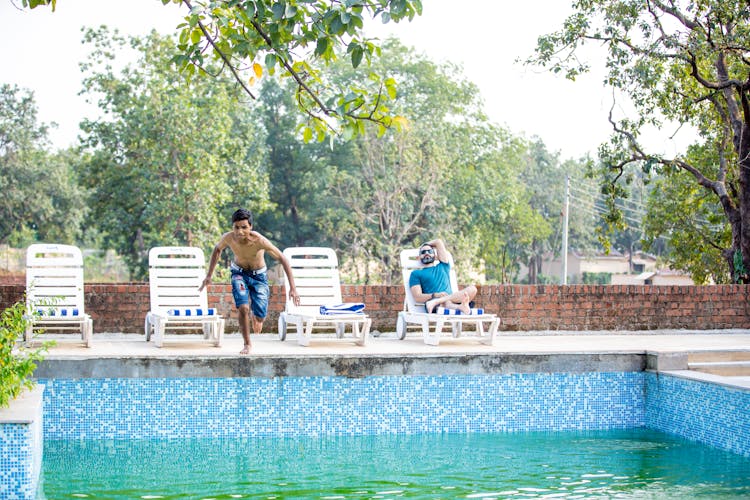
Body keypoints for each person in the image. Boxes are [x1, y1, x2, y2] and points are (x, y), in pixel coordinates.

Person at [200, 208, 300, 354]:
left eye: (244, 227)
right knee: (243, 307)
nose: (240, 232)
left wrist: (293, 288)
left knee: (260, 316)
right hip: (238, 274)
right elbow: (217, 249)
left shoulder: (259, 240)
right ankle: (247, 344)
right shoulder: (229, 238)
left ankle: (257, 316)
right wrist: (209, 275)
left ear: (250, 227)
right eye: (236, 227)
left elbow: (282, 259)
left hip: (259, 277)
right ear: (232, 227)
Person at [408, 238, 477, 315]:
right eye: (423, 252)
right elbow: (417, 297)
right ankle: (457, 306)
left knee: (473, 289)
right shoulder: (416, 273)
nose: (427, 253)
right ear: (419, 257)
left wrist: (424, 245)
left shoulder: (443, 266)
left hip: (450, 299)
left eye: (430, 251)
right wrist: (436, 295)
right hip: (435, 305)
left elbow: (438, 242)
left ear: (435, 255)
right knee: (443, 303)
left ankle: (455, 305)